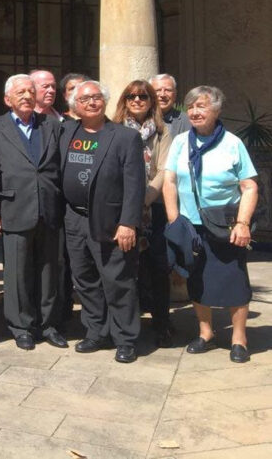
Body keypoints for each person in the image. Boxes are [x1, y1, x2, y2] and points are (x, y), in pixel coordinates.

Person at [162, 86, 258, 363]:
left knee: (234, 278)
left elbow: (248, 186)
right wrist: (174, 220)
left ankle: (239, 337)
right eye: (191, 106)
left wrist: (243, 223)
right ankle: (206, 332)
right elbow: (169, 180)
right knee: (197, 277)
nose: (194, 111)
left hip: (225, 224)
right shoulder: (180, 142)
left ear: (216, 110)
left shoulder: (232, 143)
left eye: (202, 106)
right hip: (190, 224)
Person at [61, 80, 145, 363]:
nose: (91, 102)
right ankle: (96, 332)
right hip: (74, 217)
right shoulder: (66, 131)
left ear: (105, 101)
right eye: (84, 99)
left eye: (96, 97)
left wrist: (128, 223)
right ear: (75, 106)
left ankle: (125, 339)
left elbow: (135, 185)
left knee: (117, 280)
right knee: (84, 279)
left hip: (110, 221)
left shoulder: (124, 137)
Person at [0, 75, 66, 350]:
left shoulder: (52, 125)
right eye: (20, 92)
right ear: (7, 99)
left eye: (31, 91)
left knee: (48, 270)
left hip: (48, 208)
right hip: (13, 208)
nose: (27, 96)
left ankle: (48, 324)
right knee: (17, 274)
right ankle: (21, 326)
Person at [112, 80, 174, 347]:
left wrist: (144, 200)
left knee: (158, 269)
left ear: (151, 101)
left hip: (152, 208)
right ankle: (128, 323)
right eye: (132, 96)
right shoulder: (112, 130)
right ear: (124, 100)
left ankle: (162, 323)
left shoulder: (162, 131)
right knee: (126, 269)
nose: (137, 100)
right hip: (122, 209)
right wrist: (130, 203)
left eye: (143, 96)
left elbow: (164, 169)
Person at [150, 74, 191, 138]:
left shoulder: (188, 121)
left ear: (175, 94)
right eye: (157, 90)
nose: (162, 95)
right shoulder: (138, 120)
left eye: (168, 90)